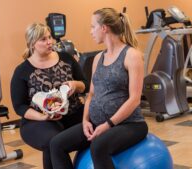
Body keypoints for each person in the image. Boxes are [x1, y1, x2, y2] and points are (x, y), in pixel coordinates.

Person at [49, 8, 148, 169]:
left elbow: (134, 99)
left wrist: (108, 124)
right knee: (56, 144)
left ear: (104, 28)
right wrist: (85, 121)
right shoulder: (97, 58)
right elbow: (91, 94)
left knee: (98, 146)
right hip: (96, 123)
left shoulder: (132, 55)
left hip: (130, 124)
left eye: (92, 26)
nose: (90, 31)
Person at [10, 23, 88, 169]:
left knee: (100, 124)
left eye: (50, 37)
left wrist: (75, 85)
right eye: (43, 39)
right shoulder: (22, 71)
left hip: (73, 113)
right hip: (38, 121)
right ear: (32, 43)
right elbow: (19, 106)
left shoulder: (66, 58)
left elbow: (86, 85)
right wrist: (42, 117)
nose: (50, 42)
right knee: (53, 141)